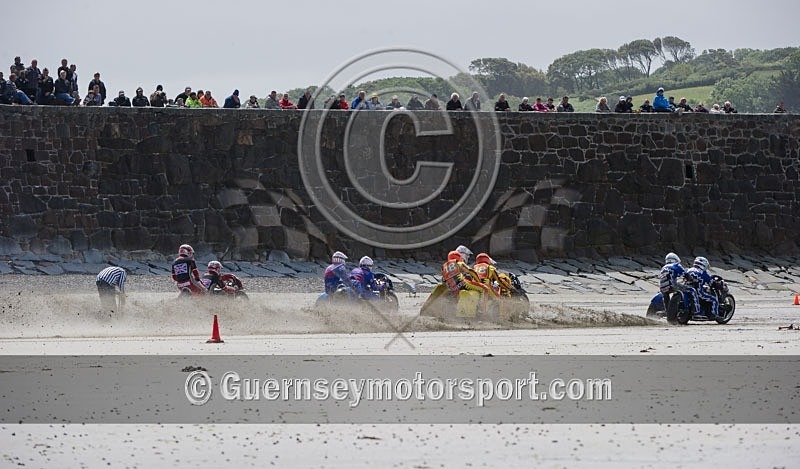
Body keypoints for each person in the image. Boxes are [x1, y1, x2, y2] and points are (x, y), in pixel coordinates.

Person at [654, 252, 686, 316]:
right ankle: (684, 306)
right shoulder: (676, 265)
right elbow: (685, 274)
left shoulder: (663, 268)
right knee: (686, 289)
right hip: (672, 285)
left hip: (662, 287)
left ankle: (667, 310)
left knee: (666, 296)